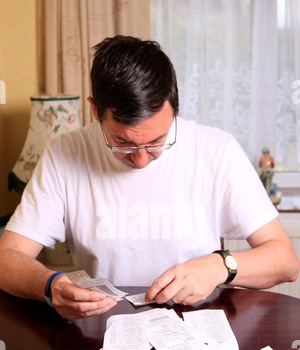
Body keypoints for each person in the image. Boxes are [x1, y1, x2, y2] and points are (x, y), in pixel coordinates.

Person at [0, 35, 298, 320]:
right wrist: (50, 285)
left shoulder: (217, 150)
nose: (141, 160)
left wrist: (220, 265)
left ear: (175, 103)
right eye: (123, 143)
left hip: (198, 332)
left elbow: (286, 261)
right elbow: (6, 258)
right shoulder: (64, 153)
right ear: (95, 111)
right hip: (105, 333)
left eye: (157, 141)